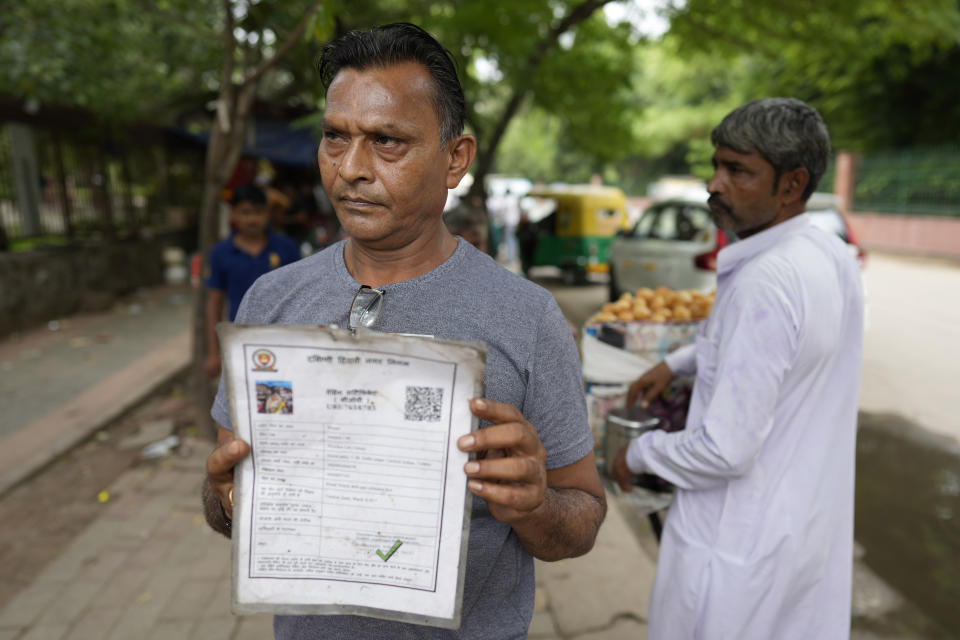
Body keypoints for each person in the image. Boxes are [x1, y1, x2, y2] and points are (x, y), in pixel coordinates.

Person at [201, 22, 606, 639]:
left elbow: (582, 518)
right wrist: (225, 495)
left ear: (455, 160)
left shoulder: (525, 318)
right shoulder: (271, 299)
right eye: (335, 138)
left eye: (387, 141)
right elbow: (225, 500)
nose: (351, 169)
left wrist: (536, 505)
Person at [611, 97, 864, 639]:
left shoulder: (765, 281)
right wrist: (679, 361)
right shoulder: (829, 257)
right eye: (717, 165)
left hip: (736, 552)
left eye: (738, 171)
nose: (715, 184)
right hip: (799, 534)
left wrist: (637, 452)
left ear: (792, 185)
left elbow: (724, 449)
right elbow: (779, 349)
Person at [204, 183, 300, 378]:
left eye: (258, 212)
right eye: (245, 212)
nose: (252, 219)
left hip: (284, 339)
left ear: (267, 214)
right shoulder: (221, 254)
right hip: (241, 340)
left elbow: (301, 294)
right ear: (234, 215)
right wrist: (213, 353)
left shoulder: (286, 248)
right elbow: (215, 303)